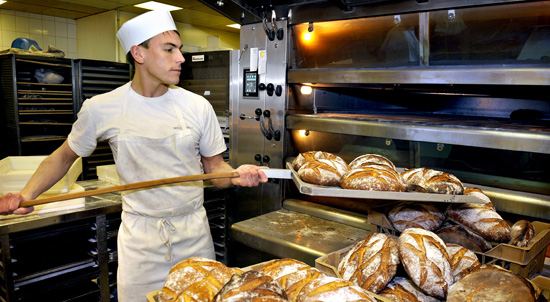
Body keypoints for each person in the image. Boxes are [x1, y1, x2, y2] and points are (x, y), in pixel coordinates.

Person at [0, 9, 267, 301]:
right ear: (138, 53)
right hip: (141, 242)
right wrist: (27, 195)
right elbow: (63, 157)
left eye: (179, 49)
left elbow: (215, 168)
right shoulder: (102, 107)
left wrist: (234, 176)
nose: (181, 58)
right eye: (169, 49)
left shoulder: (197, 106)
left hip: (194, 235)